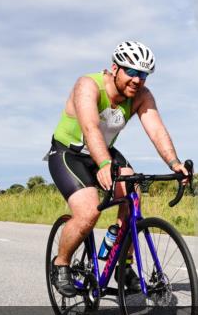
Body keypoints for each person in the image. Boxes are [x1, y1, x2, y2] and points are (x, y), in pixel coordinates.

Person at [47, 41, 188, 297]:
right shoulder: (88, 86)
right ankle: (61, 264)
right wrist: (103, 164)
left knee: (133, 195)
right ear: (115, 68)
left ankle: (123, 263)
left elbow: (156, 129)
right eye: (131, 72)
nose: (137, 80)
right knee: (88, 213)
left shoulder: (141, 96)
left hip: (105, 152)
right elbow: (90, 128)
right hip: (70, 153)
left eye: (143, 74)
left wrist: (174, 163)